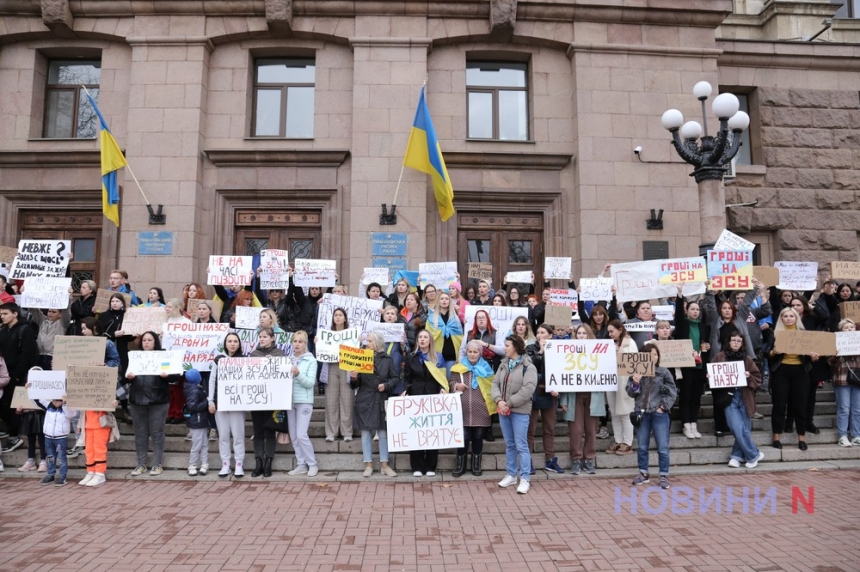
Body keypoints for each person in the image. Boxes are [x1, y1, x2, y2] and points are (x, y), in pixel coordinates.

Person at [711, 330, 764, 469]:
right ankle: (754, 454)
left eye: (739, 341)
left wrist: (749, 376)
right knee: (735, 426)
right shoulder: (719, 357)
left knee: (744, 428)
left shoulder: (747, 359)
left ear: (742, 343)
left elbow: (758, 379)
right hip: (729, 397)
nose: (736, 343)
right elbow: (712, 375)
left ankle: (736, 456)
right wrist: (710, 377)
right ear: (728, 342)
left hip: (744, 395)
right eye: (733, 340)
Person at [627, 343, 677, 489]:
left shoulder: (664, 372)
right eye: (649, 354)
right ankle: (643, 473)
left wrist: (664, 406)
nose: (652, 357)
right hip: (642, 413)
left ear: (658, 357)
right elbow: (630, 393)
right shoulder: (636, 371)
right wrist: (635, 383)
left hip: (659, 413)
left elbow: (672, 391)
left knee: (662, 446)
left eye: (655, 354)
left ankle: (663, 475)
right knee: (642, 446)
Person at [350, 331, 399, 477]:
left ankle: (385, 465)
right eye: (366, 341)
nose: (367, 344)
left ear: (377, 343)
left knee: (383, 433)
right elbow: (355, 384)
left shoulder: (387, 360)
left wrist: (386, 385)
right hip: (365, 398)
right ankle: (368, 464)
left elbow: (395, 378)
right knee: (365, 433)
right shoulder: (360, 358)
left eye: (370, 341)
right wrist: (353, 378)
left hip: (381, 398)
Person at [493, 335, 537, 494]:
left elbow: (528, 390)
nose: (504, 348)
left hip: (519, 411)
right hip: (503, 410)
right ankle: (511, 474)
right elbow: (495, 384)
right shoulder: (503, 364)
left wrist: (508, 403)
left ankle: (525, 478)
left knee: (521, 445)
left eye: (507, 345)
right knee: (510, 444)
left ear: (516, 347)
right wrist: (499, 401)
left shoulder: (528, 367)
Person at [768, 307, 818, 451]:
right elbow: (766, 352)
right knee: (779, 405)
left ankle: (801, 438)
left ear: (796, 318)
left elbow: (812, 354)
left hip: (800, 372)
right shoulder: (776, 333)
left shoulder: (804, 334)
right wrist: (773, 352)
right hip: (781, 371)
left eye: (791, 316)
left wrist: (813, 357)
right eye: (786, 316)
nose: (789, 318)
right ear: (781, 319)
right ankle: (776, 437)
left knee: (801, 405)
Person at [126, 331, 174, 476]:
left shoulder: (163, 356)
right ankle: (141, 464)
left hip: (158, 399)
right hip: (138, 400)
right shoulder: (135, 357)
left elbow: (175, 375)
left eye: (150, 340)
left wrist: (167, 375)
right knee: (140, 433)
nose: (146, 342)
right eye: (144, 340)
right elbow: (126, 376)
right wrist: (129, 377)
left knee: (157, 433)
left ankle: (157, 464)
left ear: (155, 342)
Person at [559, 324, 605, 475]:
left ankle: (589, 458)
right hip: (574, 397)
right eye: (579, 333)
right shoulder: (568, 351)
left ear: (589, 335)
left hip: (593, 396)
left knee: (591, 430)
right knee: (576, 430)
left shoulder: (599, 351)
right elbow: (563, 376)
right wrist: (563, 400)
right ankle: (577, 459)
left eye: (585, 333)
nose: (581, 336)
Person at [449, 339, 494, 477]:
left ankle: (476, 465)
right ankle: (460, 465)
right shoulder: (459, 367)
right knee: (463, 436)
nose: (472, 354)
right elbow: (450, 382)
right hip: (463, 409)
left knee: (478, 436)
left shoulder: (487, 368)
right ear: (466, 352)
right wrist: (456, 386)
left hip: (481, 408)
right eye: (470, 351)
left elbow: (492, 386)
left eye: (475, 352)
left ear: (480, 353)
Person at [404, 329, 446, 477]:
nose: (422, 339)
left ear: (430, 341)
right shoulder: (411, 357)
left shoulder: (438, 357)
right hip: (416, 397)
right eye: (420, 337)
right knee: (416, 430)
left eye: (425, 337)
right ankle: (416, 466)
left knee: (431, 431)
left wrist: (442, 388)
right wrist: (406, 390)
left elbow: (442, 377)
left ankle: (430, 466)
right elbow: (407, 378)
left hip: (433, 396)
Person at [0, 302, 40, 454]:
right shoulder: (3, 330)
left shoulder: (25, 330)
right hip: (4, 375)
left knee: (13, 406)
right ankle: (10, 430)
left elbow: (27, 355)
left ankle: (14, 437)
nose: (2, 316)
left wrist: (17, 376)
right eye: (1, 314)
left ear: (15, 314)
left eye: (5, 313)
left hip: (17, 376)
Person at [673, 292, 711, 440]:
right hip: (686, 366)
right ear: (687, 311)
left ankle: (694, 422)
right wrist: (680, 294)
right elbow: (678, 315)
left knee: (696, 397)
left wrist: (705, 347)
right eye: (692, 309)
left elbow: (705, 346)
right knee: (686, 395)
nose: (695, 311)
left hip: (699, 367)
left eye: (697, 309)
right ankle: (686, 424)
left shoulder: (703, 327)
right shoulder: (683, 324)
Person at [525, 323, 563, 474]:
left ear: (551, 335)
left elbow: (561, 370)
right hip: (534, 392)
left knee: (549, 428)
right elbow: (531, 367)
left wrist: (558, 387)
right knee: (530, 429)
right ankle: (527, 461)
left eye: (543, 332)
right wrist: (541, 351)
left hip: (549, 393)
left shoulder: (558, 349)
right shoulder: (530, 349)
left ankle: (550, 460)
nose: (540, 335)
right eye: (538, 332)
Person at [208, 332, 247, 477]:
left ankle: (238, 463)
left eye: (235, 341)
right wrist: (210, 401)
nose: (232, 344)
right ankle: (225, 464)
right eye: (229, 341)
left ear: (239, 344)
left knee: (238, 435)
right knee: (223, 435)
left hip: (237, 403)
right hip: (221, 403)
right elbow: (212, 381)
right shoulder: (218, 360)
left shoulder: (244, 360)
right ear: (225, 343)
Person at [250, 327, 287, 477]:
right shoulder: (253, 355)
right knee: (258, 431)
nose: (262, 339)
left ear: (272, 338)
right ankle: (258, 461)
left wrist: (275, 363)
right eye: (260, 336)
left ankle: (268, 462)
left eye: (265, 336)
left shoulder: (279, 354)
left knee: (270, 430)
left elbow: (284, 374)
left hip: (273, 398)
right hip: (257, 398)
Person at [287, 330, 319, 477]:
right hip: (289, 401)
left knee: (301, 434)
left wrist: (298, 374)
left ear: (306, 344)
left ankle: (312, 464)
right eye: (295, 341)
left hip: (304, 401)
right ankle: (301, 464)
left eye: (300, 341)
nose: (297, 344)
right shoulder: (288, 359)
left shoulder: (311, 360)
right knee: (293, 435)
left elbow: (310, 383)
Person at [322, 308, 354, 442]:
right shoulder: (326, 334)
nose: (338, 317)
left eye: (341, 315)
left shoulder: (351, 334)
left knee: (347, 401)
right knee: (331, 400)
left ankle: (347, 432)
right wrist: (319, 341)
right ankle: (331, 432)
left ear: (345, 318)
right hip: (331, 366)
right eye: (336, 315)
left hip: (347, 366)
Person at [606, 319, 637, 455]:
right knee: (614, 412)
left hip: (624, 381)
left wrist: (620, 350)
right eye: (608, 332)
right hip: (611, 380)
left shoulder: (630, 343)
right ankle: (618, 441)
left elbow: (633, 362)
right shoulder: (609, 344)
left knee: (625, 412)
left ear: (620, 330)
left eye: (612, 331)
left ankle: (627, 443)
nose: (610, 334)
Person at [829, 319, 860, 447]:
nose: (849, 330)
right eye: (846, 328)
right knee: (844, 408)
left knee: (857, 409)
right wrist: (836, 355)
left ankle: (856, 435)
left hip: (857, 379)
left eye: (851, 327)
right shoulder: (835, 343)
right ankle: (842, 435)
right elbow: (830, 363)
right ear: (841, 330)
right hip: (841, 379)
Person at [37, 395, 76, 487]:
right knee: (50, 457)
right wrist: (30, 390)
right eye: (54, 400)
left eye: (58, 401)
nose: (55, 402)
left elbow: (71, 415)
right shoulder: (49, 406)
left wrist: (65, 404)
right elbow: (37, 399)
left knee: (62, 457)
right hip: (48, 437)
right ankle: (50, 474)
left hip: (61, 437)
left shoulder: (67, 408)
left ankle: (63, 476)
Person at [425, 292, 463, 376]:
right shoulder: (431, 318)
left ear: (450, 302)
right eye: (442, 299)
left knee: (450, 381)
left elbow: (460, 337)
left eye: (446, 299)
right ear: (438, 301)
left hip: (451, 355)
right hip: (436, 355)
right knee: (439, 382)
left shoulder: (455, 318)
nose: (444, 301)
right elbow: (428, 336)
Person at [183, 369, 210, 476]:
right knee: (197, 444)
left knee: (204, 443)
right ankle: (192, 464)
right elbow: (193, 406)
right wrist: (206, 402)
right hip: (197, 421)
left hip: (200, 420)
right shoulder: (195, 391)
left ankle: (204, 463)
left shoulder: (194, 389)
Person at [31, 306, 71, 371]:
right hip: (39, 355)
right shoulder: (42, 320)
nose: (50, 313)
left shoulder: (62, 323)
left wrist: (68, 300)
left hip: (53, 357)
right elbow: (34, 310)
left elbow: (66, 312)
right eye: (49, 311)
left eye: (54, 312)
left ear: (60, 314)